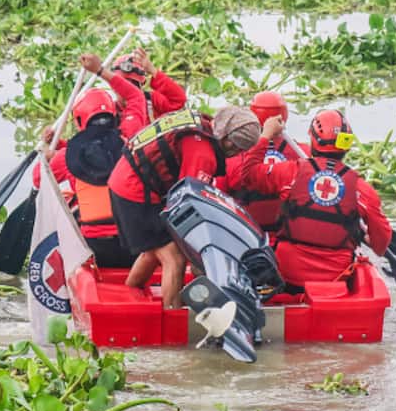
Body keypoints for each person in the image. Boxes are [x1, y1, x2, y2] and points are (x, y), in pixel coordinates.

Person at [108, 106, 262, 308]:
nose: (235, 154)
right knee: (175, 258)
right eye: (237, 148)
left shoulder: (201, 123)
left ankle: (130, 293)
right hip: (136, 190)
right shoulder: (203, 156)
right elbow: (187, 203)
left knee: (153, 249)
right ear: (227, 141)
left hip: (124, 177)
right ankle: (173, 319)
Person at [241, 109, 391, 287]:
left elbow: (249, 173)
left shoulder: (290, 172)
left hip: (288, 273)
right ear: (346, 146)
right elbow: (381, 246)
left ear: (312, 139)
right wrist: (366, 238)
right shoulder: (362, 189)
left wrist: (266, 134)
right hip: (336, 277)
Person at [32, 52, 147, 268]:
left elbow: (39, 180)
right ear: (113, 113)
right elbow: (135, 97)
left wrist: (49, 152)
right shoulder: (131, 137)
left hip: (95, 247)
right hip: (133, 244)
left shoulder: (66, 158)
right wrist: (101, 71)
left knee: (72, 203)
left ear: (78, 121)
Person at [216, 91, 309, 234]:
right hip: (286, 236)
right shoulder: (304, 154)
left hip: (246, 236)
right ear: (284, 115)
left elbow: (217, 197)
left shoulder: (233, 158)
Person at [111, 48, 187, 123]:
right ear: (114, 88)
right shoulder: (110, 112)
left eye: (133, 86)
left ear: (140, 86)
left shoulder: (151, 101)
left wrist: (152, 70)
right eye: (122, 87)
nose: (128, 92)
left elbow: (178, 100)